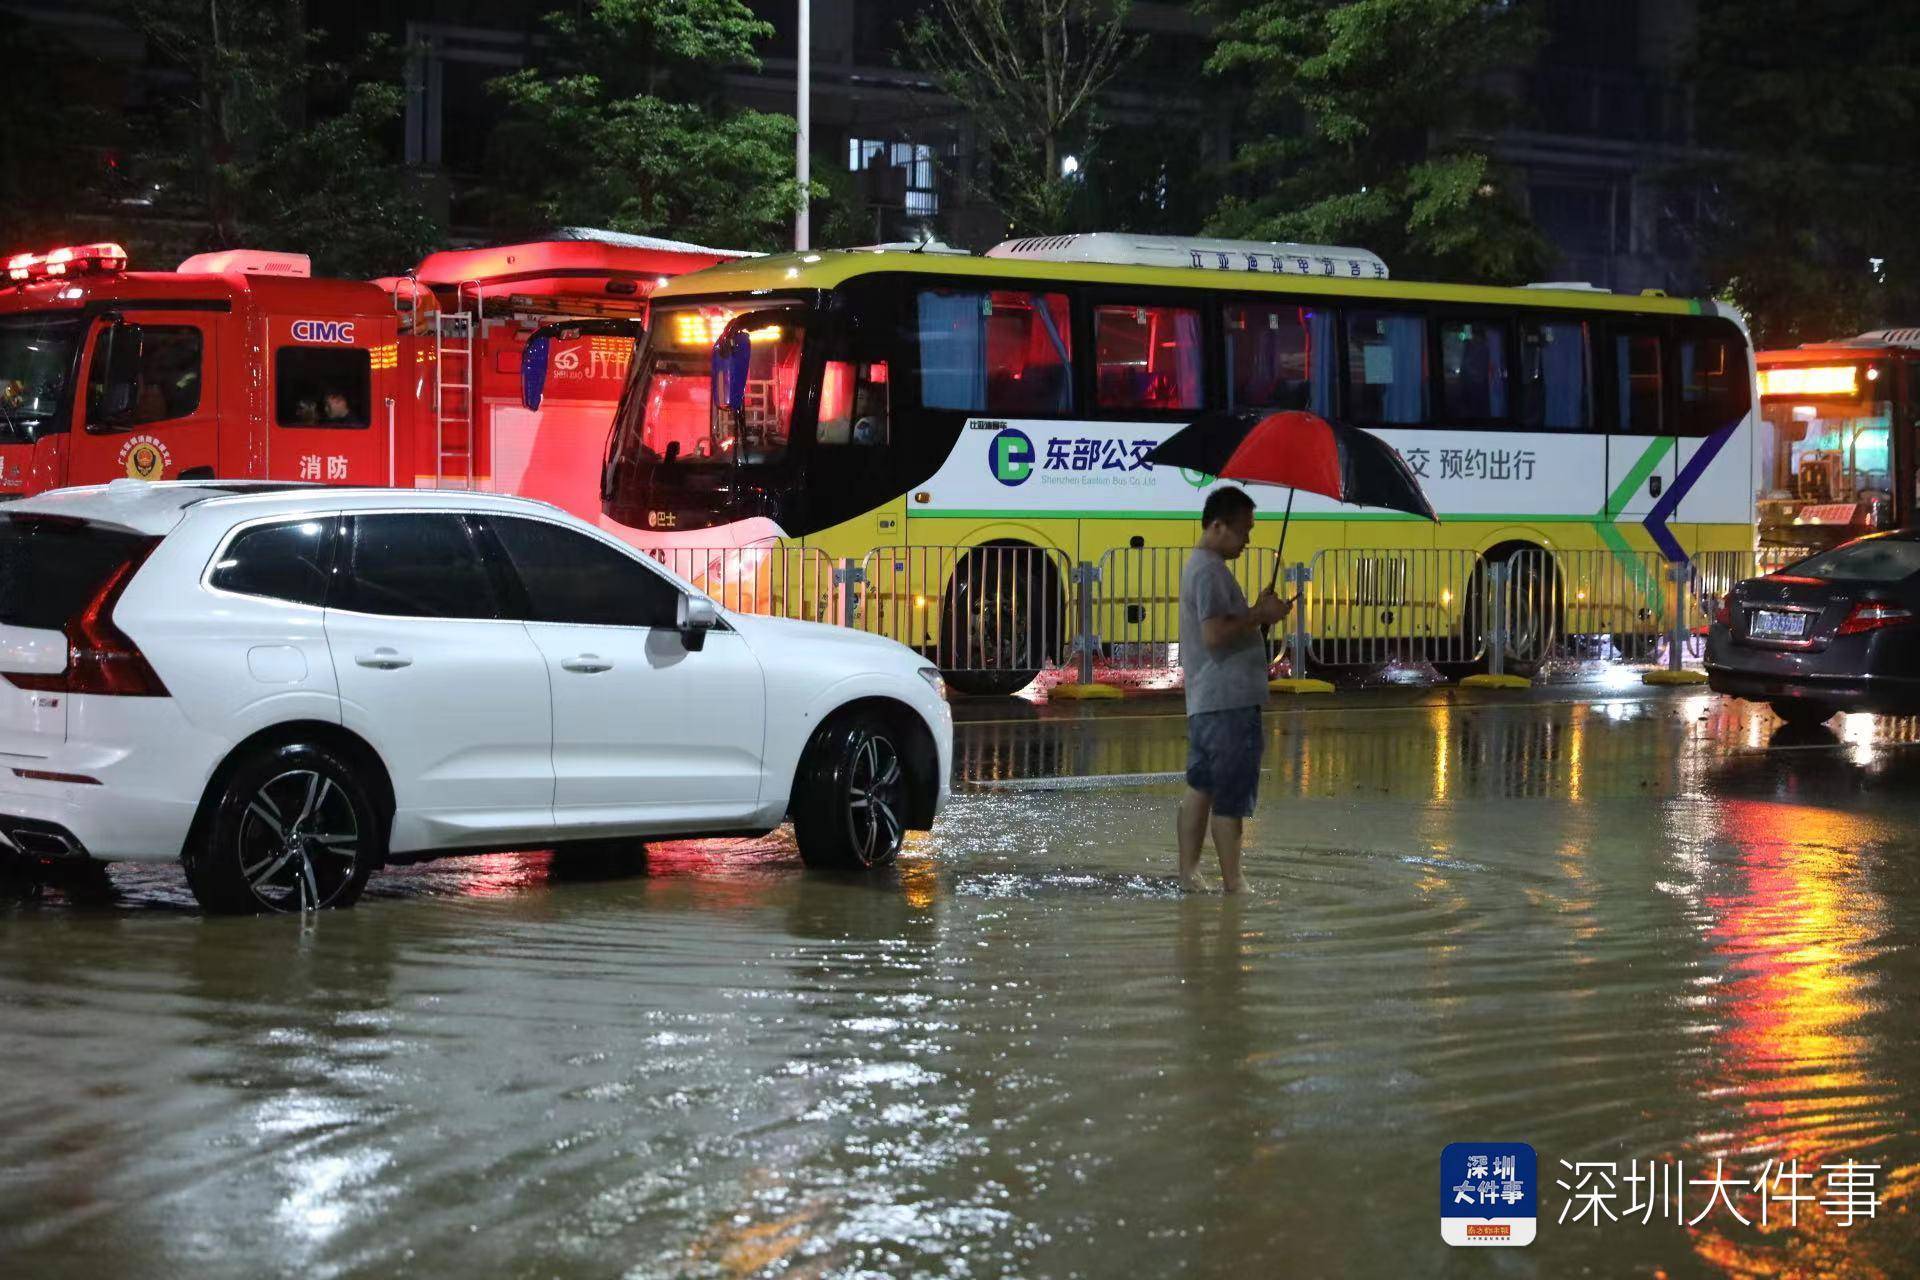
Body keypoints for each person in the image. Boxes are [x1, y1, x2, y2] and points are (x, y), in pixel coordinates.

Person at [1177, 486, 1290, 893]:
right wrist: (1259, 613)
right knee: (1229, 795)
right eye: (1244, 530)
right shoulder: (1209, 571)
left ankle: (1189, 874)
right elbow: (1214, 633)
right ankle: (1234, 885)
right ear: (1218, 526)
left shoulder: (1201, 566)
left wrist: (1255, 613)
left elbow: (1225, 625)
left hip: (1208, 699)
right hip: (1228, 701)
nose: (1248, 539)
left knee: (1201, 786)